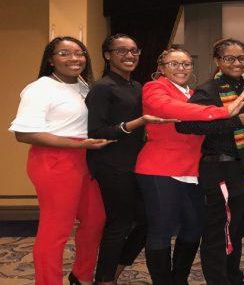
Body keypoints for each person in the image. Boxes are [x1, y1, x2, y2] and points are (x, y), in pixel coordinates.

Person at [134, 47, 244, 285]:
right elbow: (172, 110)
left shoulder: (194, 93)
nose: (181, 68)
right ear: (161, 68)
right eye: (173, 64)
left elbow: (203, 125)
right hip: (159, 169)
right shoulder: (154, 88)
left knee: (195, 228)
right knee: (161, 230)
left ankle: (179, 279)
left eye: (186, 64)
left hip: (194, 171)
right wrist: (222, 112)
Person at [9, 36, 109, 285]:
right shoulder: (40, 88)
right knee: (56, 230)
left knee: (96, 219)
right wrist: (78, 144)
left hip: (86, 158)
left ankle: (81, 275)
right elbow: (24, 134)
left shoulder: (84, 86)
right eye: (64, 54)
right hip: (54, 160)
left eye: (79, 53)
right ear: (51, 60)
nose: (74, 58)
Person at [175, 38, 244, 285]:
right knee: (218, 233)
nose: (237, 63)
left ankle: (232, 277)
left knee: (236, 231)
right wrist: (237, 122)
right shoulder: (208, 90)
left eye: (242, 58)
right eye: (229, 58)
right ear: (217, 61)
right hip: (219, 170)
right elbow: (185, 125)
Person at [85, 34, 172, 284]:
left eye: (134, 50)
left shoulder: (137, 87)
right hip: (111, 164)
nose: (130, 55)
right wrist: (137, 123)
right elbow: (96, 131)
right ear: (107, 55)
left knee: (146, 220)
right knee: (119, 224)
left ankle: (115, 269)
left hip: (136, 164)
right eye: (121, 51)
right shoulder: (102, 88)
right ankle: (104, 279)